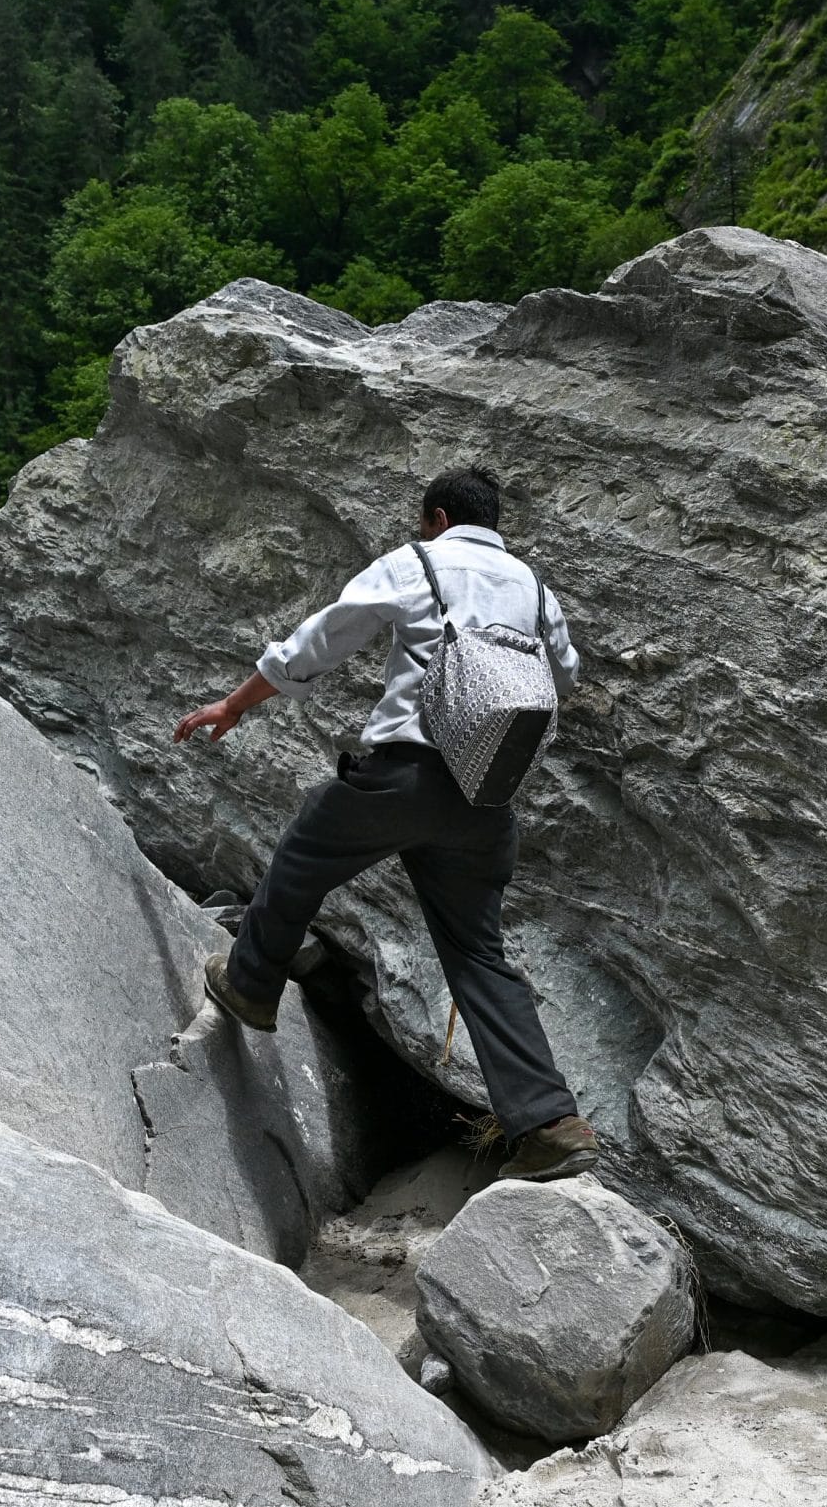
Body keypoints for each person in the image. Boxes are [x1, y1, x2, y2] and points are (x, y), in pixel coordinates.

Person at [172, 467, 600, 1183]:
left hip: (406, 773)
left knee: (309, 845)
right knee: (478, 953)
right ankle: (552, 1124)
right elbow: (563, 678)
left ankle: (250, 982)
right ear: (493, 522)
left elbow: (323, 639)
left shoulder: (420, 561)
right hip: (485, 802)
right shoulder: (533, 587)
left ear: (436, 517)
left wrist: (238, 703)